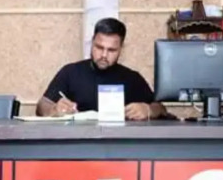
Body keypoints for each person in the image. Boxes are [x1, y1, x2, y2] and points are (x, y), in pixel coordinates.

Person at [36, 17, 167, 120]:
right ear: (92, 43)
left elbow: (161, 108)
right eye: (99, 47)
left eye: (111, 50)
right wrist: (54, 109)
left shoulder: (132, 78)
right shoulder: (70, 72)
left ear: (121, 49)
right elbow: (42, 105)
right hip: (78, 142)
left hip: (119, 143)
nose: (104, 55)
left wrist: (148, 110)